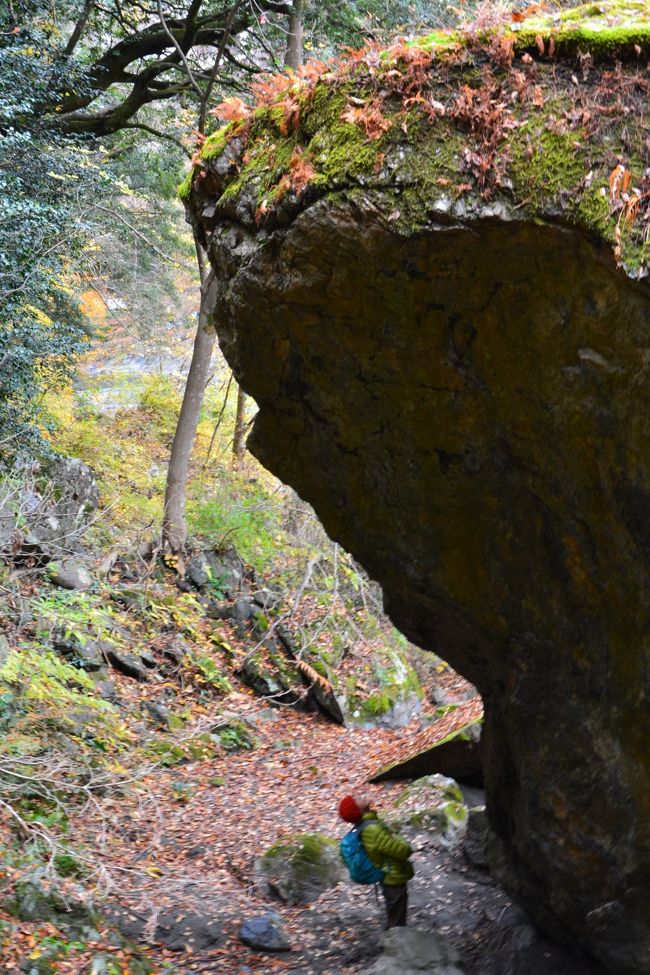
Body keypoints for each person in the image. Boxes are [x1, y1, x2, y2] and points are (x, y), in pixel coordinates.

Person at [338, 794, 414, 928]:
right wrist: (395, 834)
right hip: (393, 877)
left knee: (395, 913)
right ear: (359, 811)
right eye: (356, 800)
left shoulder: (367, 825)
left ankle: (394, 939)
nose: (359, 797)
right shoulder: (372, 829)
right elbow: (404, 850)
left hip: (388, 875)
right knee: (397, 921)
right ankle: (395, 944)